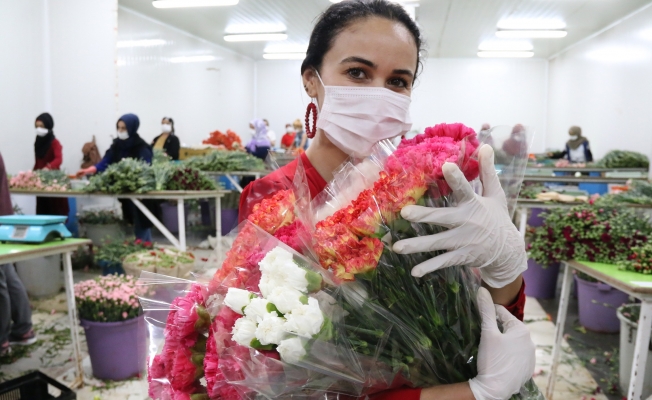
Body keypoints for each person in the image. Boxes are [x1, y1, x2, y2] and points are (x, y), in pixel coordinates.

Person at [238, 1, 535, 399]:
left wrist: (506, 270)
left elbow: (491, 328)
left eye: (398, 81)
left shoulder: (430, 186)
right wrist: (470, 393)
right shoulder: (269, 201)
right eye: (357, 73)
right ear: (312, 79)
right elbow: (279, 372)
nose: (378, 94)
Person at [76, 114, 154, 241]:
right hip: (126, 194)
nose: (121, 131)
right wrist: (89, 170)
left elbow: (146, 167)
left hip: (140, 194)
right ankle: (139, 252)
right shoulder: (117, 145)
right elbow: (106, 161)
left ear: (132, 128)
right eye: (119, 128)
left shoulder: (141, 147)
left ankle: (145, 252)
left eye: (124, 128)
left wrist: (136, 179)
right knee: (131, 222)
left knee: (142, 224)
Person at [0, 152, 36, 357]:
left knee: (1, 279)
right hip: (3, 217)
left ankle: (2, 339)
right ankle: (23, 329)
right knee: (7, 272)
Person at [34, 113, 69, 217]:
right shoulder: (38, 142)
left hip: (53, 180)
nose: (38, 129)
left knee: (55, 210)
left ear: (48, 126)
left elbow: (59, 159)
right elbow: (37, 161)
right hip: (40, 181)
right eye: (36, 127)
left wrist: (48, 168)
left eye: (41, 126)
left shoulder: (54, 142)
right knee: (42, 209)